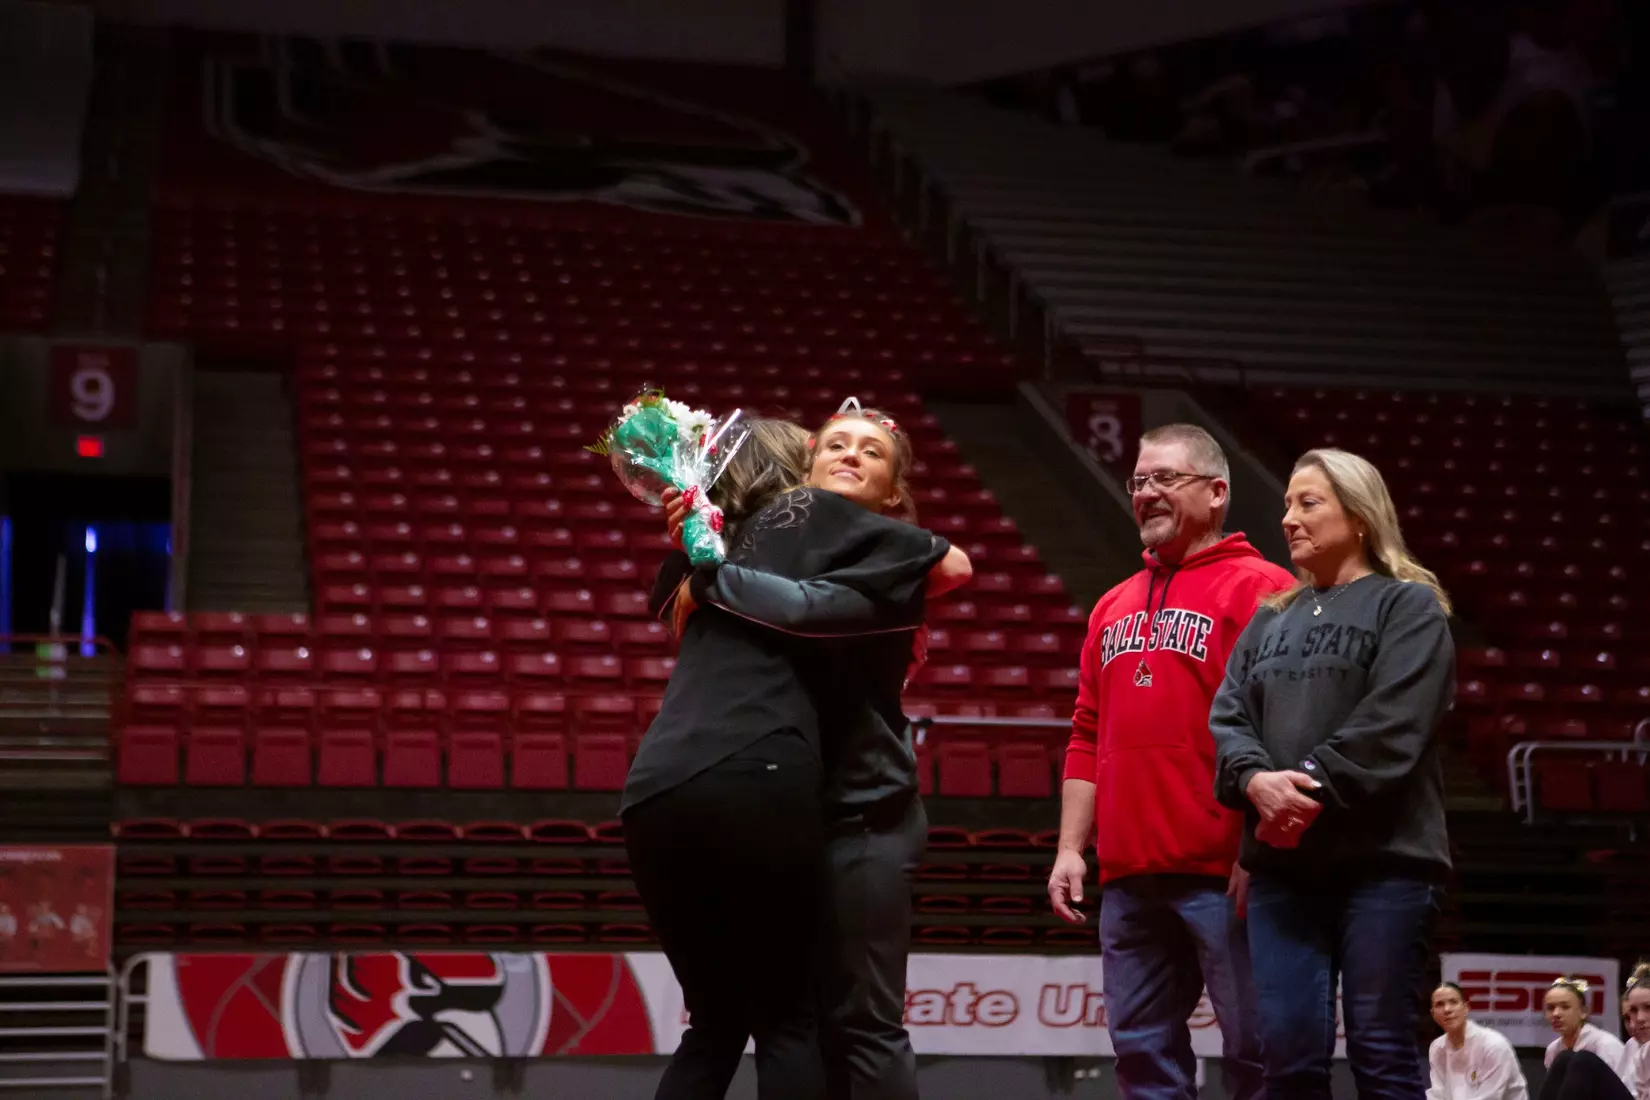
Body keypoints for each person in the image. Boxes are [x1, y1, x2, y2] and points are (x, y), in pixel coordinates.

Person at [623, 418, 956, 1100]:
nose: (849, 454)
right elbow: (665, 599)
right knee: (788, 1019)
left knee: (854, 1021)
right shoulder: (773, 537)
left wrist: (714, 574)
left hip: (864, 812)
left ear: (896, 494)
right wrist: (694, 536)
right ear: (803, 473)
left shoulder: (884, 569)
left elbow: (809, 609)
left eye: (872, 451)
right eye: (834, 444)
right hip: (784, 797)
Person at [1048, 423, 1291, 1100]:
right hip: (1128, 878)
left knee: (1259, 1053)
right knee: (1142, 1059)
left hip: (1228, 873)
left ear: (1217, 493)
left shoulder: (1266, 589)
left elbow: (1287, 730)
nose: (1147, 493)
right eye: (1139, 481)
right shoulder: (1111, 605)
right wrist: (1072, 847)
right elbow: (1086, 733)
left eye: (1165, 479)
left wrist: (1259, 845)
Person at [1211, 447, 1456, 1100]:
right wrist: (1257, 782)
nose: (1288, 517)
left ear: (1360, 516)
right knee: (1286, 1057)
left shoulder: (1409, 607)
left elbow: (1394, 724)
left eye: (1308, 502)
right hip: (1284, 874)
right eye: (1288, 503)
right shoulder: (1270, 617)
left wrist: (1304, 789)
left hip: (1386, 866)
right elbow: (1229, 718)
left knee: (1381, 1050)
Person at [1428, 980, 1529, 1100]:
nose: (1447, 1010)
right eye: (1439, 1004)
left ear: (1466, 1008)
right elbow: (1437, 1094)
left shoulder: (1494, 1045)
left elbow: (1490, 1098)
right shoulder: (1437, 1047)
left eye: (1453, 1002)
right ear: (1433, 1014)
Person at [1544, 977, 1627, 1078]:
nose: (1556, 1014)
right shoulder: (1552, 1050)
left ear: (1583, 1012)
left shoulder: (1606, 1045)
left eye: (1565, 1007)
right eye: (1550, 1008)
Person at [1621, 964, 1649, 1100]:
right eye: (1633, 1011)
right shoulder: (1632, 1045)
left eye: (1649, 1007)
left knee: (1584, 1062)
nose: (1639, 1019)